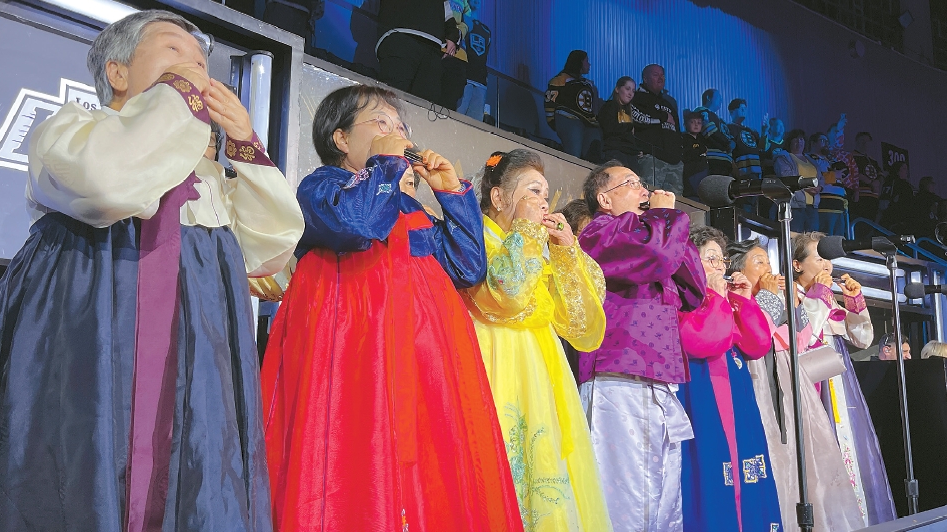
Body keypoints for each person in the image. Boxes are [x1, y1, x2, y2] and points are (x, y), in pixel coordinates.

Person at [0, 10, 306, 529]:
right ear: (117, 72)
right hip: (90, 334)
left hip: (193, 352)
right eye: (174, 52)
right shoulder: (76, 128)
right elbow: (106, 183)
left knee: (191, 466)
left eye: (202, 63)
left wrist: (245, 142)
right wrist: (176, 96)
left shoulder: (210, 178)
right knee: (76, 465)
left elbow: (271, 244)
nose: (195, 71)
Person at [261, 84, 523, 531]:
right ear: (341, 138)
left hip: (419, 363)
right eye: (381, 123)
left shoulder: (410, 209)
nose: (397, 133)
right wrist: (385, 163)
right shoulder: (322, 186)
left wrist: (452, 194)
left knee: (428, 469)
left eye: (401, 127)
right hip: (354, 359)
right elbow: (357, 223)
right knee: (354, 457)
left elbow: (466, 266)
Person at [463, 149, 611, 531]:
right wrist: (528, 233)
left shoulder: (534, 249)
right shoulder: (475, 238)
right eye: (532, 191)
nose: (543, 202)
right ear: (499, 198)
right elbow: (506, 293)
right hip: (492, 363)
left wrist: (565, 251)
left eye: (545, 194)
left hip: (541, 372)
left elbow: (580, 322)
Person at [579, 161, 705, 532]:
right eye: (631, 183)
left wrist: (668, 223)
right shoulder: (600, 232)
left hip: (659, 378)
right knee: (625, 501)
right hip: (618, 376)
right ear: (604, 199)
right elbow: (658, 258)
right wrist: (665, 216)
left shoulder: (652, 234)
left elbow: (695, 290)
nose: (643, 190)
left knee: (663, 500)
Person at [728, 239, 865, 532]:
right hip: (759, 377)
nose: (768, 269)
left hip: (790, 380)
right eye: (759, 263)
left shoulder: (780, 296)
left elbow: (799, 340)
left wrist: (793, 302)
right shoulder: (737, 299)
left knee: (800, 454)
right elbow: (759, 337)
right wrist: (772, 297)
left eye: (768, 262)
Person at [676, 226, 782, 532]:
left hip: (736, 395)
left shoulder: (723, 298)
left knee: (745, 469)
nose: (719, 266)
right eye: (710, 259)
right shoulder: (682, 299)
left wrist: (743, 299)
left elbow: (758, 344)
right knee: (713, 471)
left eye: (721, 260)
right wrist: (714, 296)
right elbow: (704, 340)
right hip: (702, 394)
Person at [793, 231, 896, 526]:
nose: (827, 265)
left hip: (840, 383)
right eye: (818, 259)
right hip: (810, 384)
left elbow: (862, 339)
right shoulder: (790, 295)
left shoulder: (828, 297)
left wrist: (853, 301)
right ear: (797, 265)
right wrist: (819, 295)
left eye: (828, 259)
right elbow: (803, 337)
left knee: (849, 448)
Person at [376, 0, 460, 105]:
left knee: (426, 100)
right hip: (400, 34)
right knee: (393, 93)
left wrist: (452, 36)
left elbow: (447, 14)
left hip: (432, 46)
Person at [631, 64, 684, 195]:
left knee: (674, 203)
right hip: (651, 158)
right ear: (645, 79)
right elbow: (638, 121)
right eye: (655, 75)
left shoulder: (669, 103)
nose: (660, 78)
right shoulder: (636, 98)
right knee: (650, 199)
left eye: (662, 75)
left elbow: (677, 131)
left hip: (674, 162)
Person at [545, 51, 602, 162]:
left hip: (588, 123)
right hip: (569, 118)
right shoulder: (560, 80)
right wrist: (552, 121)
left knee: (592, 153)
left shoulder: (589, 84)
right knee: (573, 155)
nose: (589, 64)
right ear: (579, 62)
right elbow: (549, 102)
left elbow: (594, 108)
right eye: (586, 61)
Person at [775, 129, 822, 232]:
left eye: (801, 139)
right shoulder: (783, 158)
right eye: (795, 139)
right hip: (795, 206)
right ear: (790, 142)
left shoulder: (811, 160)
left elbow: (821, 178)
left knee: (813, 238)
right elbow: (786, 176)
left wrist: (820, 187)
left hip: (812, 207)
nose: (799, 142)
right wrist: (806, 187)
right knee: (796, 237)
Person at [456, 0, 491, 120]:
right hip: (463, 77)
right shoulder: (460, 20)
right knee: (457, 117)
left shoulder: (486, 30)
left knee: (475, 123)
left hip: (480, 81)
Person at [597, 76, 640, 171]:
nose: (630, 93)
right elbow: (609, 128)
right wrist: (628, 126)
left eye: (633, 91)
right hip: (615, 151)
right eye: (627, 89)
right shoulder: (609, 106)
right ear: (617, 89)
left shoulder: (630, 112)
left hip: (630, 154)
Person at [693, 89, 736, 177]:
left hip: (726, 164)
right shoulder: (701, 112)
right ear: (708, 98)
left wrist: (732, 143)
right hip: (712, 161)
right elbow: (709, 132)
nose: (721, 100)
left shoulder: (720, 120)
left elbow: (729, 136)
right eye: (718, 97)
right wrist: (727, 143)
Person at [439, 0, 471, 110]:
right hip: (436, 48)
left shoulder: (465, 3)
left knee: (450, 102)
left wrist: (456, 35)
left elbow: (467, 23)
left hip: (458, 56)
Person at [851, 132, 883, 221]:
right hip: (860, 196)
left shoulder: (872, 160)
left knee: (871, 223)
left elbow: (880, 174)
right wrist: (869, 182)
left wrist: (878, 182)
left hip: (873, 197)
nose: (864, 143)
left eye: (867, 141)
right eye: (862, 141)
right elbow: (851, 173)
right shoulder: (851, 157)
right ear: (856, 141)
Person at [726, 99, 761, 180]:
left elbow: (762, 147)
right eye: (741, 108)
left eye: (745, 108)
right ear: (731, 112)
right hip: (742, 169)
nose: (743, 110)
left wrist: (764, 131)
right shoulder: (729, 128)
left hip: (756, 167)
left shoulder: (751, 130)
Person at [878, 161, 914, 231]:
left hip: (885, 219)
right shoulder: (903, 185)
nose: (907, 171)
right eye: (904, 168)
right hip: (898, 221)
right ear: (897, 170)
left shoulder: (887, 182)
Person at [681, 111, 708, 201]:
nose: (696, 125)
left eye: (699, 122)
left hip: (703, 171)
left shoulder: (703, 139)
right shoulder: (684, 139)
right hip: (691, 173)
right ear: (685, 124)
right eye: (692, 122)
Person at [817, 161, 849, 236]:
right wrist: (834, 175)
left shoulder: (830, 160)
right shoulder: (817, 161)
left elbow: (843, 192)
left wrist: (845, 207)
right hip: (825, 210)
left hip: (840, 211)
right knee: (826, 236)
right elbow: (817, 179)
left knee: (838, 237)